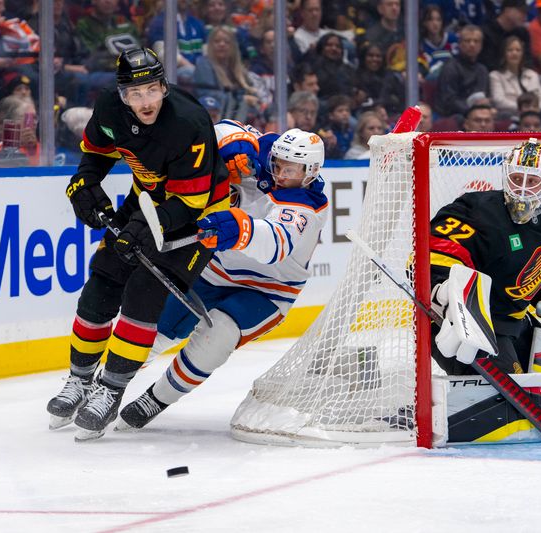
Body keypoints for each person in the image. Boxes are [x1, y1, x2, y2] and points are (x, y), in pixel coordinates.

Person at [45, 47, 229, 441]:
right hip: (147, 200)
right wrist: (83, 185)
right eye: (135, 93)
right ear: (122, 95)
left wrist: (142, 234)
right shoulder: (110, 107)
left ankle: (110, 390)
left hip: (200, 215)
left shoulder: (188, 122)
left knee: (144, 292)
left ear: (163, 87)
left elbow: (189, 204)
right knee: (100, 286)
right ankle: (80, 380)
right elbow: (94, 155)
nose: (145, 101)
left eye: (152, 90)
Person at [114, 123, 329, 431]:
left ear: (311, 171)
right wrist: (234, 143)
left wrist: (240, 228)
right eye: (279, 165)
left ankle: (156, 399)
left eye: (292, 170)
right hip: (216, 272)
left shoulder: (308, 206)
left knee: (219, 337)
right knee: (159, 326)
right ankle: (106, 386)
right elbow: (214, 128)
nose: (281, 175)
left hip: (268, 291)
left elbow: (276, 244)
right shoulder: (263, 153)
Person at [429, 138, 541, 377]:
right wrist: (445, 295)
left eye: (533, 181)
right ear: (506, 175)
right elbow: (432, 255)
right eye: (517, 179)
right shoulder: (477, 211)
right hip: (462, 326)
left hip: (513, 321)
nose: (523, 188)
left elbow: (537, 271)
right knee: (513, 394)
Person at [434, 24, 488, 118]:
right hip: (455, 115)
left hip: (478, 113)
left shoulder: (482, 70)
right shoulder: (451, 67)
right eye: (467, 41)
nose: (472, 44)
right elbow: (449, 101)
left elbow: (484, 95)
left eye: (476, 41)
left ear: (481, 45)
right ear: (460, 44)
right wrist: (470, 110)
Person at [489, 36, 541, 119]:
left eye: (518, 50)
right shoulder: (496, 76)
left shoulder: (532, 75)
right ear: (504, 53)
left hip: (536, 116)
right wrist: (524, 109)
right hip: (511, 116)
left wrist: (534, 110)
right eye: (510, 50)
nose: (514, 53)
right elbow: (499, 101)